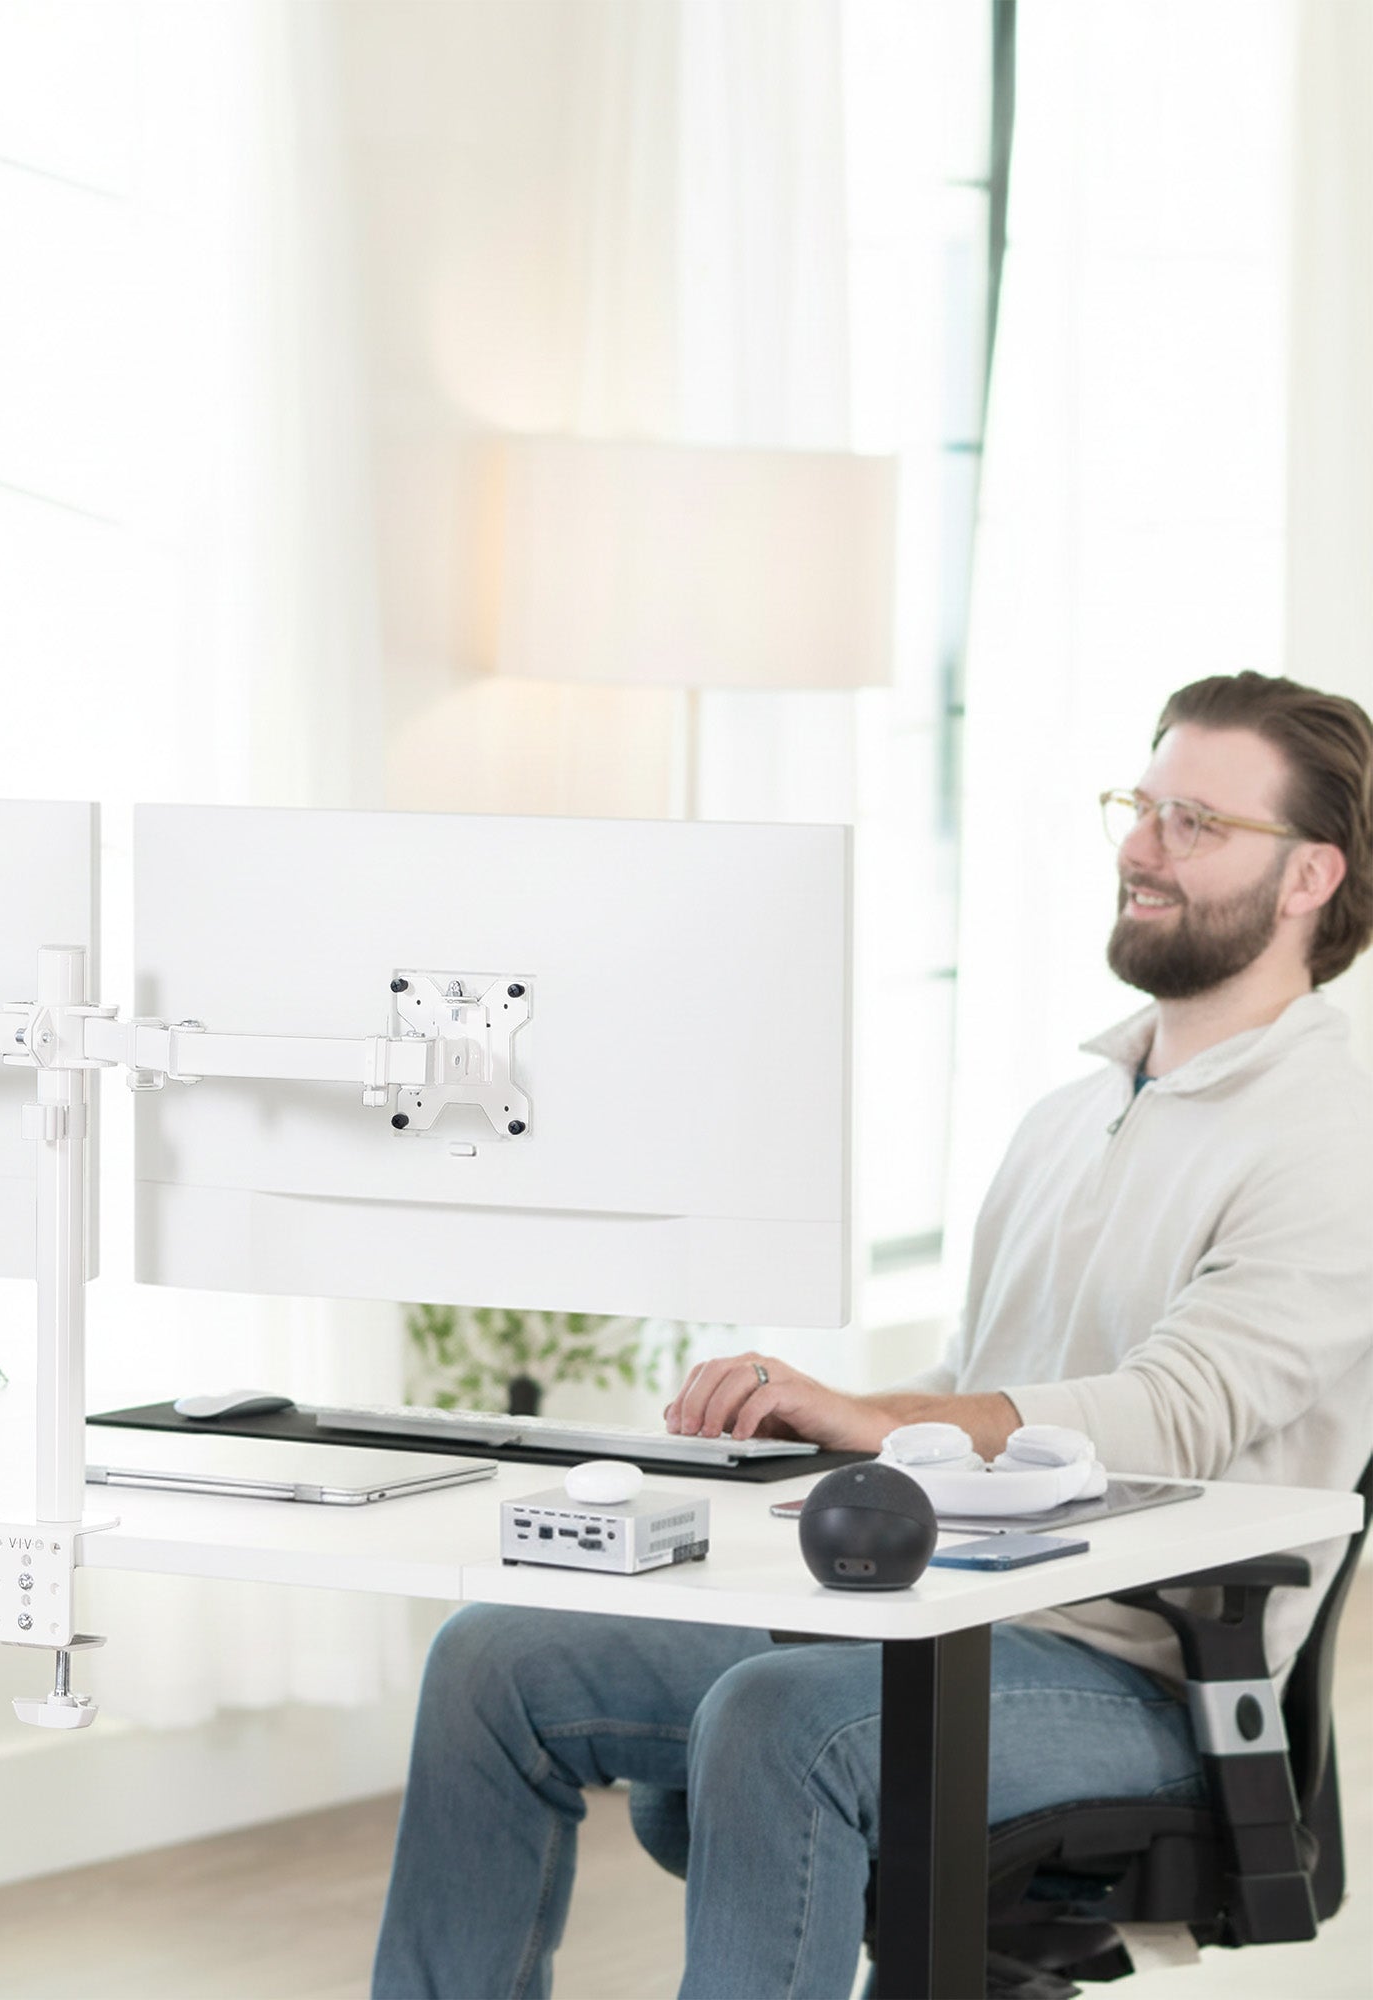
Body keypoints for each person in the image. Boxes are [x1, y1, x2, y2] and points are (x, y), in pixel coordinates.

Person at [370, 672, 1373, 2000]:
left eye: (1196, 821)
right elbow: (973, 1384)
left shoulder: (1332, 1134)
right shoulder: (1072, 1114)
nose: (1141, 845)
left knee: (781, 1720)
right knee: (497, 1655)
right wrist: (805, 1422)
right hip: (945, 1612)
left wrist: (879, 1421)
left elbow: (1176, 1417)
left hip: (1138, 1674)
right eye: (1139, 806)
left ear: (1310, 876)